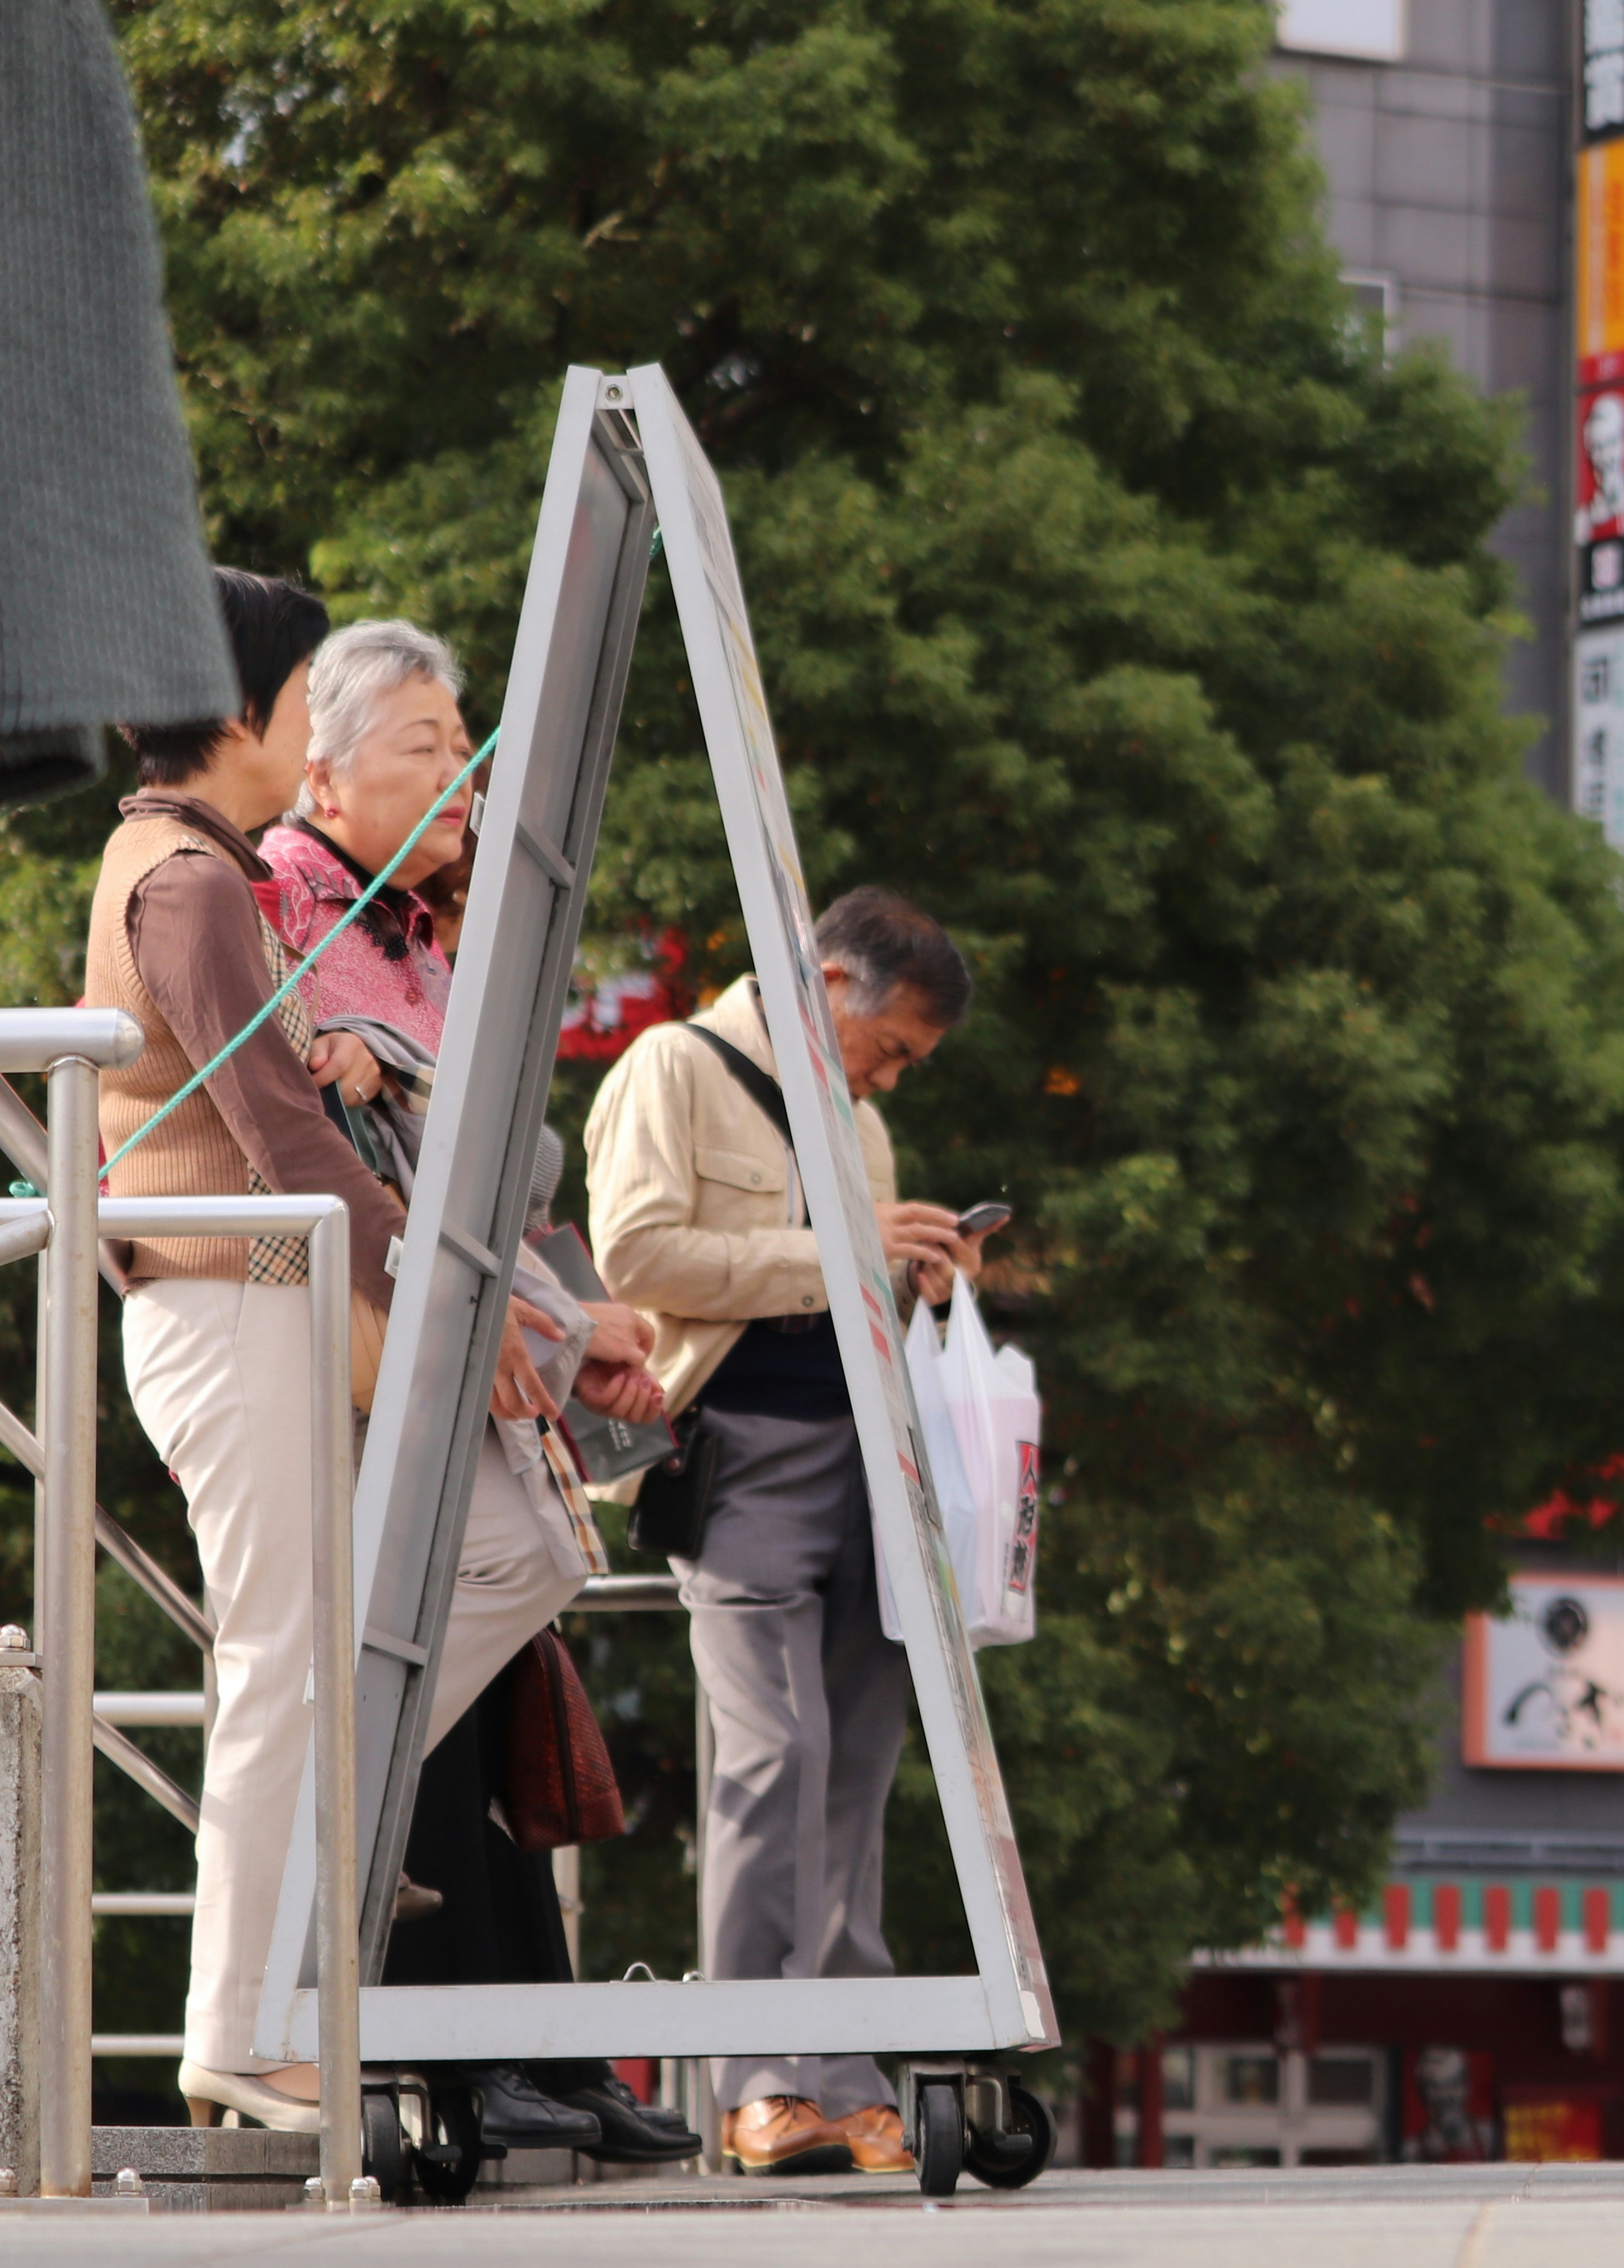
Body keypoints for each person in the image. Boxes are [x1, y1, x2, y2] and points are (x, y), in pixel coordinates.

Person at [97, 576, 549, 2131]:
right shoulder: (189, 881)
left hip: (254, 1294)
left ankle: (291, 1907)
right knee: (284, 1662)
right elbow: (281, 1129)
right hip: (230, 1296)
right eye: (303, 700)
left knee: (332, 1646)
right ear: (244, 711)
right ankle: (238, 2019)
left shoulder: (199, 867)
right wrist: (447, 1302)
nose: (311, 732)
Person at [256, 618, 696, 2165]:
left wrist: (564, 1318)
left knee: (478, 1681)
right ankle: (456, 2046)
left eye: (464, 749)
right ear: (319, 760)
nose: (459, 780)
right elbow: (365, 1158)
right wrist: (549, 1319)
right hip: (392, 1342)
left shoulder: (421, 928)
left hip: (486, 1330)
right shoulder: (284, 904)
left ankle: (527, 2046)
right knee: (433, 1667)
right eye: (426, 749)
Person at [583, 889, 988, 2176]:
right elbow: (636, 1253)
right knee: (776, 1753)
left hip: (871, 1455)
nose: (889, 1077)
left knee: (861, 1766)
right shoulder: (677, 1065)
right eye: (892, 1046)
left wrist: (909, 1263)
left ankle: (845, 2068)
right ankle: (758, 2073)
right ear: (827, 980)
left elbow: (839, 1266)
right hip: (741, 1453)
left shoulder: (856, 1124)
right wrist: (839, 1249)